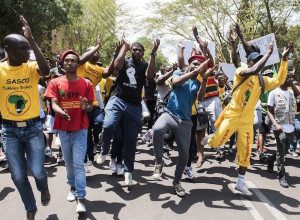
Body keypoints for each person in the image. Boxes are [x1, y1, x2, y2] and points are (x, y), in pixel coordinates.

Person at [201, 41, 293, 196]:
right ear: (250, 62)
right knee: (216, 143)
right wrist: (269, 54)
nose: (259, 64)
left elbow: (279, 80)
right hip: (233, 115)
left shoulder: (262, 81)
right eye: (256, 61)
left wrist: (283, 60)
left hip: (247, 121)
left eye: (260, 60)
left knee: (245, 153)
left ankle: (240, 183)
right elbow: (254, 69)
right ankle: (211, 138)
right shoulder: (241, 70)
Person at [0, 16, 50, 219]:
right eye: (22, 49)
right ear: (7, 49)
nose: (26, 53)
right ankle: (30, 207)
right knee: (18, 176)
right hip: (9, 131)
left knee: (38, 172)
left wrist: (32, 40)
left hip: (33, 129)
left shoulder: (29, 67)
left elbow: (46, 71)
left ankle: (44, 188)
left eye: (27, 48)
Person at [97, 33, 160, 187]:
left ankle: (128, 171)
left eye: (140, 50)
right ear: (131, 51)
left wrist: (153, 53)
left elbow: (149, 76)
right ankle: (104, 151)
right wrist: (124, 48)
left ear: (143, 53)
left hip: (134, 105)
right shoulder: (124, 61)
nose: (137, 52)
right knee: (108, 125)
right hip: (118, 100)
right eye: (134, 49)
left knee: (131, 141)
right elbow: (116, 67)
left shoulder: (144, 65)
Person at [152, 55, 214, 197]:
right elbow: (176, 82)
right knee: (157, 129)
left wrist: (204, 78)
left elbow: (201, 98)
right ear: (189, 64)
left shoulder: (197, 83)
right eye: (194, 64)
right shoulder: (178, 73)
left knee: (185, 155)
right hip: (170, 114)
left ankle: (177, 182)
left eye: (199, 65)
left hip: (185, 122)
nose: (197, 66)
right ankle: (159, 161)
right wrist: (193, 72)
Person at [45, 49, 94, 213]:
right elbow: (53, 103)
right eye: (67, 61)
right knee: (69, 163)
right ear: (62, 63)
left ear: (78, 64)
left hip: (80, 128)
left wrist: (85, 106)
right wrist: (58, 111)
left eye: (73, 61)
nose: (70, 63)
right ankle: (72, 187)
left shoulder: (86, 83)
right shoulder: (55, 83)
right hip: (63, 129)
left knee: (79, 163)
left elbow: (89, 107)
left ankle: (81, 198)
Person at [266, 71, 296, 187]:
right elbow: (269, 110)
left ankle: (270, 159)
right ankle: (282, 175)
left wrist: (292, 84)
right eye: (288, 78)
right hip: (279, 127)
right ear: (282, 79)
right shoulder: (273, 93)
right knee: (281, 151)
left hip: (290, 126)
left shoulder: (292, 92)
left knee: (284, 150)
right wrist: (275, 124)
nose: (290, 80)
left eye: (291, 78)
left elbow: (299, 95)